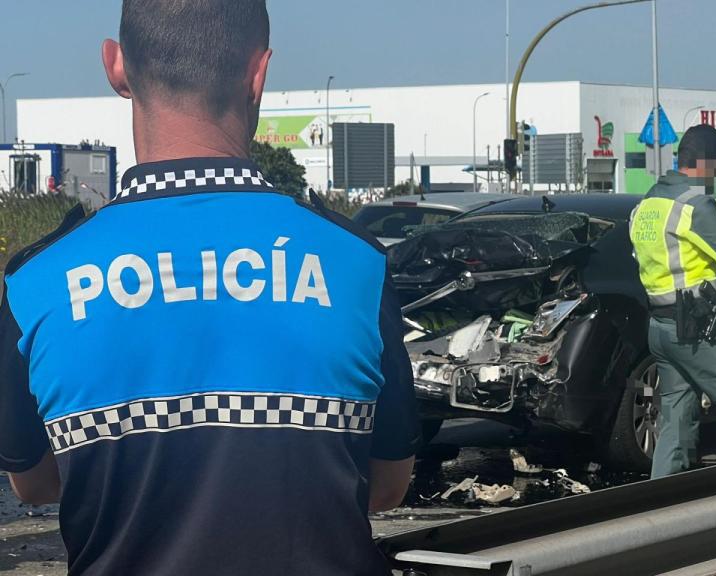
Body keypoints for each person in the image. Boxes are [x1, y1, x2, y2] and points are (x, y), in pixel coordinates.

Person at [0, 1, 420, 574]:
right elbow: (386, 484)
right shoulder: (356, 266)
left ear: (116, 66)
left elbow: (33, 484)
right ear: (259, 74)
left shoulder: (35, 282)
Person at [629, 124, 716, 479]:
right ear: (707, 162)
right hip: (696, 327)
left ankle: (661, 508)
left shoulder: (647, 204)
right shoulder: (697, 204)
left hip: (659, 328)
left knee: (675, 419)